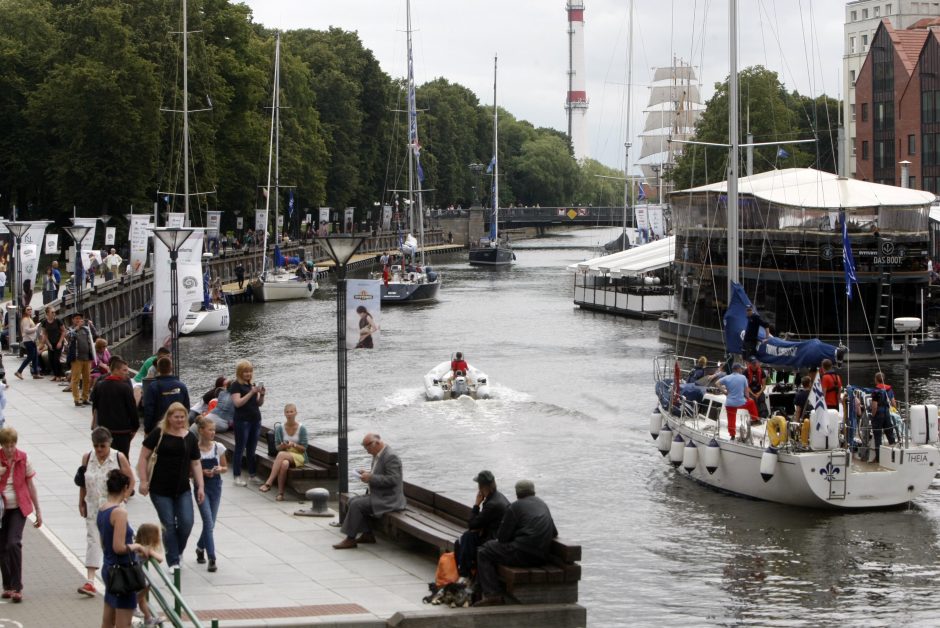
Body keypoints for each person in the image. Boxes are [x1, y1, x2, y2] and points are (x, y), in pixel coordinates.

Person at [137, 402, 205, 569]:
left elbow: (196, 464)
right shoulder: (159, 433)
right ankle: (173, 561)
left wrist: (201, 486)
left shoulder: (190, 437)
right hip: (160, 488)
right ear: (169, 417)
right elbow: (143, 457)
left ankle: (177, 550)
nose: (180, 420)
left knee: (187, 522)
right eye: (176, 417)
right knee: (168, 523)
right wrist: (144, 481)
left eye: (182, 417)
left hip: (182, 488)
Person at [474, 479, 557, 607]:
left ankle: (492, 595)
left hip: (522, 554)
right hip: (541, 557)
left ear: (517, 494)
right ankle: (480, 590)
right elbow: (554, 532)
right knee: (490, 549)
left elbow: (502, 538)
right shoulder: (542, 504)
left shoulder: (515, 506)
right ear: (533, 492)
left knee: (483, 551)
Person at [76, 427, 134, 598]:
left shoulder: (118, 457)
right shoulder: (88, 458)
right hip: (93, 505)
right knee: (93, 539)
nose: (99, 450)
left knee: (112, 544)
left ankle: (118, 577)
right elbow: (83, 481)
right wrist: (81, 500)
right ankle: (90, 581)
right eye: (96, 446)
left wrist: (124, 497)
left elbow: (131, 479)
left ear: (109, 444)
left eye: (102, 446)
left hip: (113, 509)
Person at [333, 433, 406, 549]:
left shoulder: (391, 457)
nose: (367, 452)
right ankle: (367, 534)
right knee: (352, 501)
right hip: (380, 495)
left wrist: (370, 478)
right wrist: (366, 474)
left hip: (390, 499)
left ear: (375, 444)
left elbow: (394, 479)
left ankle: (350, 539)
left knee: (357, 504)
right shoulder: (378, 454)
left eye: (367, 448)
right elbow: (381, 474)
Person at [97, 470, 148, 627]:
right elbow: (118, 547)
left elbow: (104, 543)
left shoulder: (102, 509)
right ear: (125, 487)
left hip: (109, 567)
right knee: (123, 623)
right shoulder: (119, 513)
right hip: (123, 573)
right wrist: (137, 546)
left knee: (108, 618)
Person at [0, 427, 42, 603]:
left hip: (18, 507)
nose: (10, 449)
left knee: (13, 543)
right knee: (2, 547)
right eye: (6, 446)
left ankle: (18, 587)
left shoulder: (23, 458)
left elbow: (31, 485)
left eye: (12, 445)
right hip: (1, 509)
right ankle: (8, 585)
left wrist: (38, 510)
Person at [453, 470, 509, 582]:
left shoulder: (492, 504)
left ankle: (465, 575)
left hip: (494, 540)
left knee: (465, 539)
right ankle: (467, 573)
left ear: (481, 487)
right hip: (498, 535)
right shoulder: (498, 497)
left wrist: (476, 504)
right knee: (466, 538)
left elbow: (472, 525)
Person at [90, 356, 140, 460]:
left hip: (105, 430)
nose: (127, 373)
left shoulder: (100, 385)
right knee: (122, 458)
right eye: (124, 370)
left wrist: (95, 423)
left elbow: (95, 407)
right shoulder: (125, 387)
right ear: (116, 370)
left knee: (107, 458)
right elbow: (132, 409)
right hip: (122, 431)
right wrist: (135, 427)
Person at [194, 416, 226, 572]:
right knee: (208, 521)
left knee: (211, 522)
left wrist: (219, 469)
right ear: (201, 431)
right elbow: (189, 472)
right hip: (201, 487)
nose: (213, 432)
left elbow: (225, 467)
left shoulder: (218, 447)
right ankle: (212, 557)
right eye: (210, 430)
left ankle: (200, 547)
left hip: (216, 486)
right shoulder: (194, 449)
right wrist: (200, 473)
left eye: (214, 430)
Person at [259, 403, 308, 501]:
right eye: (287, 412)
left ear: (295, 413)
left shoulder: (301, 428)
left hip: (299, 455)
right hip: (285, 455)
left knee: (281, 455)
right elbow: (277, 448)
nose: (289, 414)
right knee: (284, 464)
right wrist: (283, 446)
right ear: (284, 414)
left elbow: (304, 448)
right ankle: (280, 493)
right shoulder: (280, 428)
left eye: (291, 412)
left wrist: (293, 444)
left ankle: (269, 482)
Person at [229, 360, 265, 487]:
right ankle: (237, 476)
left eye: (250, 371)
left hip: (255, 419)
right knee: (240, 448)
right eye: (245, 372)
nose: (248, 374)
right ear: (240, 372)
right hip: (242, 420)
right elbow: (237, 403)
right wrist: (251, 392)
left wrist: (261, 395)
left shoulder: (252, 385)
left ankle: (252, 474)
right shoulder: (235, 385)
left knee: (252, 448)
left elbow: (258, 403)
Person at [142, 356, 190, 435]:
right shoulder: (181, 386)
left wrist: (147, 429)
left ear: (158, 369)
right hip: (177, 428)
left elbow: (149, 410)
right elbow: (186, 408)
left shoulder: (153, 387)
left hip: (158, 428)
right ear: (171, 368)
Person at [133, 524, 165, 627]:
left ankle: (148, 619)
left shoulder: (135, 545)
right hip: (135, 578)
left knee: (143, 599)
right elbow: (160, 559)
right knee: (147, 585)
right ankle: (133, 606)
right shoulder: (145, 549)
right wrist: (151, 551)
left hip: (132, 576)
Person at [715, 363, 750, 441]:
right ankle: (755, 419)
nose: (741, 370)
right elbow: (746, 391)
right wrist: (748, 398)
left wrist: (724, 392)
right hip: (741, 402)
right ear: (738, 369)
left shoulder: (727, 377)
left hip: (730, 402)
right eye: (741, 369)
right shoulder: (743, 377)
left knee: (731, 419)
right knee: (752, 404)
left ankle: (732, 435)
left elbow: (716, 383)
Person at [69, 312, 96, 406]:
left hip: (87, 357)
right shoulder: (71, 329)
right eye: (76, 318)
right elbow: (69, 335)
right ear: (73, 320)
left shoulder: (86, 329)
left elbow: (95, 336)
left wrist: (91, 326)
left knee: (87, 379)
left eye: (80, 319)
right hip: (77, 358)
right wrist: (77, 327)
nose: (78, 320)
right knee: (76, 379)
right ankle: (76, 399)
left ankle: (85, 398)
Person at [870, 373, 897, 462]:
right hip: (887, 413)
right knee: (889, 433)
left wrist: (873, 416)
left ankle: (878, 458)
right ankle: (895, 453)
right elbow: (893, 404)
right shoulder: (889, 389)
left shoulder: (876, 391)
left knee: (878, 435)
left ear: (876, 379)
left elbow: (874, 406)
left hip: (878, 414)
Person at [38, 306, 66, 381]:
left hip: (58, 341)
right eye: (52, 312)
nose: (54, 313)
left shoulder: (58, 321)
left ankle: (59, 375)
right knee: (50, 359)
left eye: (54, 312)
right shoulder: (44, 322)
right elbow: (44, 333)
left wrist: (60, 342)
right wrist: (48, 343)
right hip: (50, 342)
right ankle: (55, 374)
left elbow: (64, 331)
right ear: (47, 313)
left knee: (56, 359)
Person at [14, 306, 41, 380]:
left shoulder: (29, 318)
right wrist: (36, 327)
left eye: (31, 309)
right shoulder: (25, 319)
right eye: (28, 309)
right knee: (30, 357)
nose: (30, 310)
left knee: (35, 357)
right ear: (25, 311)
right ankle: (19, 371)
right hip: (28, 340)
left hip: (32, 340)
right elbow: (26, 330)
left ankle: (36, 373)